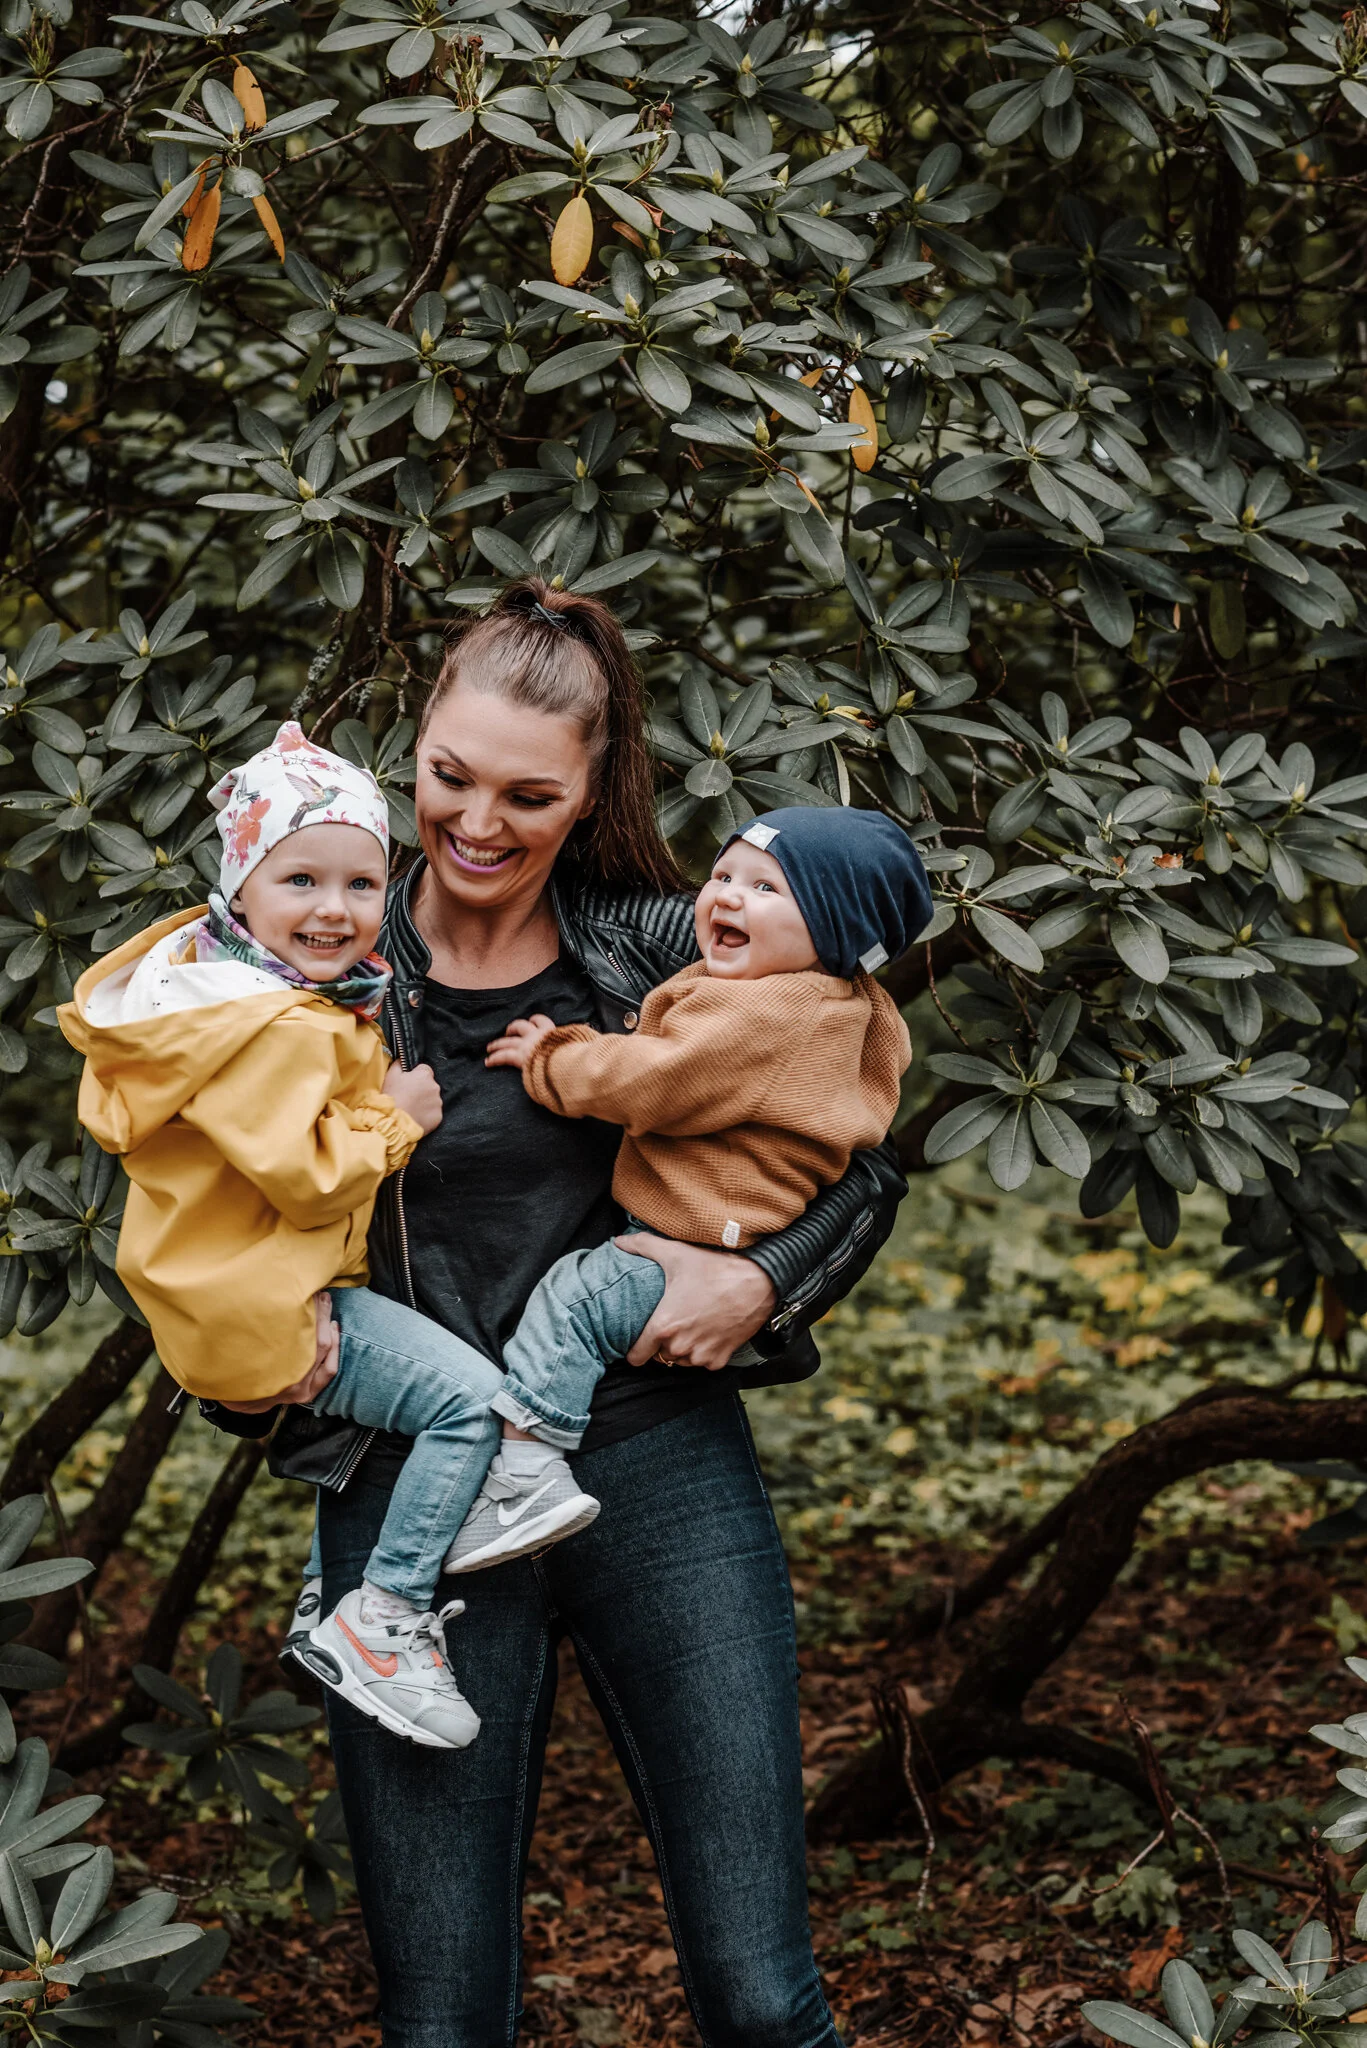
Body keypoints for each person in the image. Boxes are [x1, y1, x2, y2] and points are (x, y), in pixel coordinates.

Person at [212, 579, 911, 2047]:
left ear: (593, 790)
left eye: (529, 796)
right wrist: (246, 1368)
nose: (477, 823)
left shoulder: (666, 944)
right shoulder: (307, 948)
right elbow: (192, 1199)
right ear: (414, 748)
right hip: (408, 1492)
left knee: (760, 1996)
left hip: (655, 1462)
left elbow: (856, 1154)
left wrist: (762, 1277)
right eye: (449, 778)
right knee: (441, 2017)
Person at [59, 720, 602, 1751]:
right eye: (300, 879)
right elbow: (306, 1180)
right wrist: (396, 1117)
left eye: (360, 883)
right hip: (259, 1299)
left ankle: (322, 1593)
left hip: (232, 1287)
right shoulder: (272, 1028)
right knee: (468, 1407)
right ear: (242, 884)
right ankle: (381, 1615)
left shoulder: (219, 991)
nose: (334, 909)